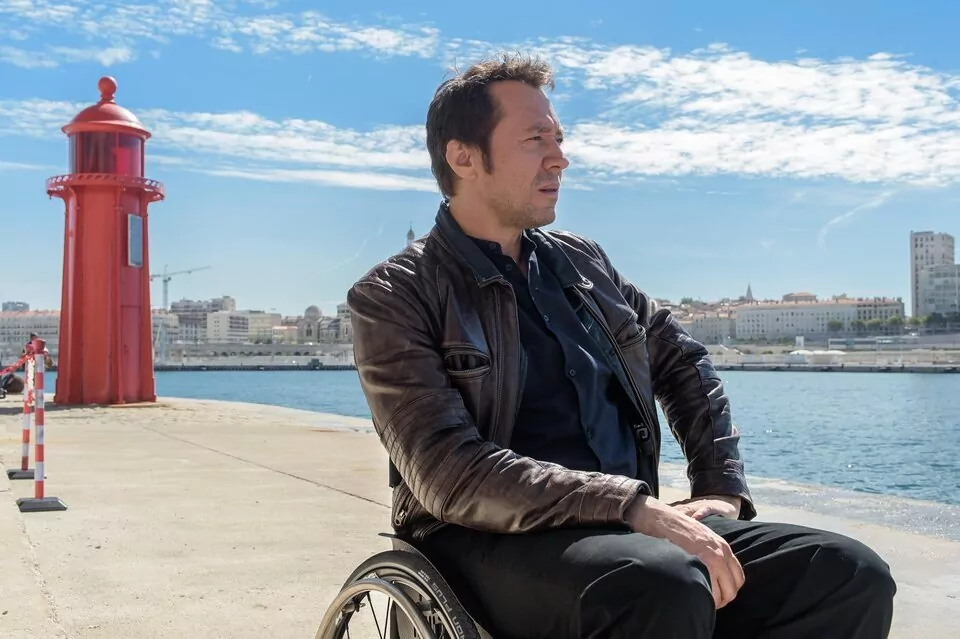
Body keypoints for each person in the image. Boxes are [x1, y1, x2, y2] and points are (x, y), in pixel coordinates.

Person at [347, 52, 896, 639]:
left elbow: (684, 363)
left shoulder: (583, 264)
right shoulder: (394, 295)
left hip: (627, 529)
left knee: (848, 573)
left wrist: (720, 486)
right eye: (535, 140)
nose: (559, 157)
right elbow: (446, 472)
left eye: (558, 139)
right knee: (662, 583)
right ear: (463, 157)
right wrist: (629, 505)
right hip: (480, 538)